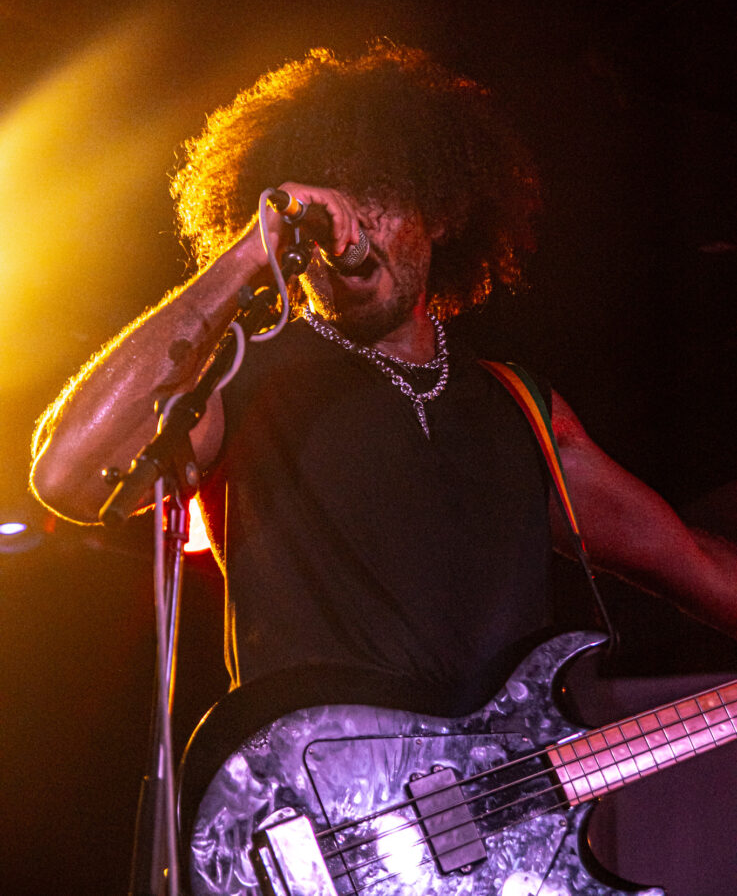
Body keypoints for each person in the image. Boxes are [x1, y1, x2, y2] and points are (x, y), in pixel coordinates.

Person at [30, 42, 737, 717]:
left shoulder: (518, 406)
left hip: (496, 826)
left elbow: (695, 561)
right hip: (324, 807)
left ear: (442, 211)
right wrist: (250, 254)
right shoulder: (242, 381)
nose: (352, 223)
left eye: (379, 192)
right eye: (328, 200)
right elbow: (70, 478)